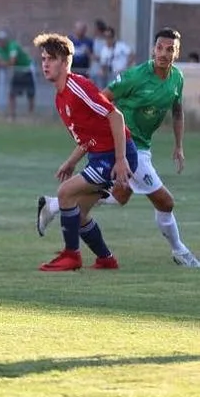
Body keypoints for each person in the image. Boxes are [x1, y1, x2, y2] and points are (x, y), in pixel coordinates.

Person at [36, 28, 199, 267]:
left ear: (177, 52)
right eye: (160, 48)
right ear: (153, 49)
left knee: (111, 198)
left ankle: (60, 213)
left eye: (170, 49)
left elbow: (176, 111)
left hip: (127, 150)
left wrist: (179, 145)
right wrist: (81, 158)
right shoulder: (135, 76)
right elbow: (102, 109)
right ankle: (177, 251)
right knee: (164, 202)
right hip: (126, 147)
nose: (164, 53)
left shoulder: (177, 78)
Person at [31, 32, 135, 271]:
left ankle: (71, 256)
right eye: (43, 58)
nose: (45, 64)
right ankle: (106, 259)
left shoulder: (77, 87)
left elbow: (116, 116)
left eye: (51, 59)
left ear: (65, 62)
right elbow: (89, 137)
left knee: (65, 193)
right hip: (100, 156)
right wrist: (71, 162)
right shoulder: (60, 97)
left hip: (114, 156)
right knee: (77, 215)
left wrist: (121, 160)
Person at [0, 30, 35, 121]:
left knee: (30, 94)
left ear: (5, 40)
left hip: (26, 71)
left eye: (1, 40)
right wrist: (2, 63)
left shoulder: (12, 46)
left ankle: (31, 115)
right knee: (12, 94)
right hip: (17, 72)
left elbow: (12, 61)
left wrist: (1, 63)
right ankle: (12, 115)